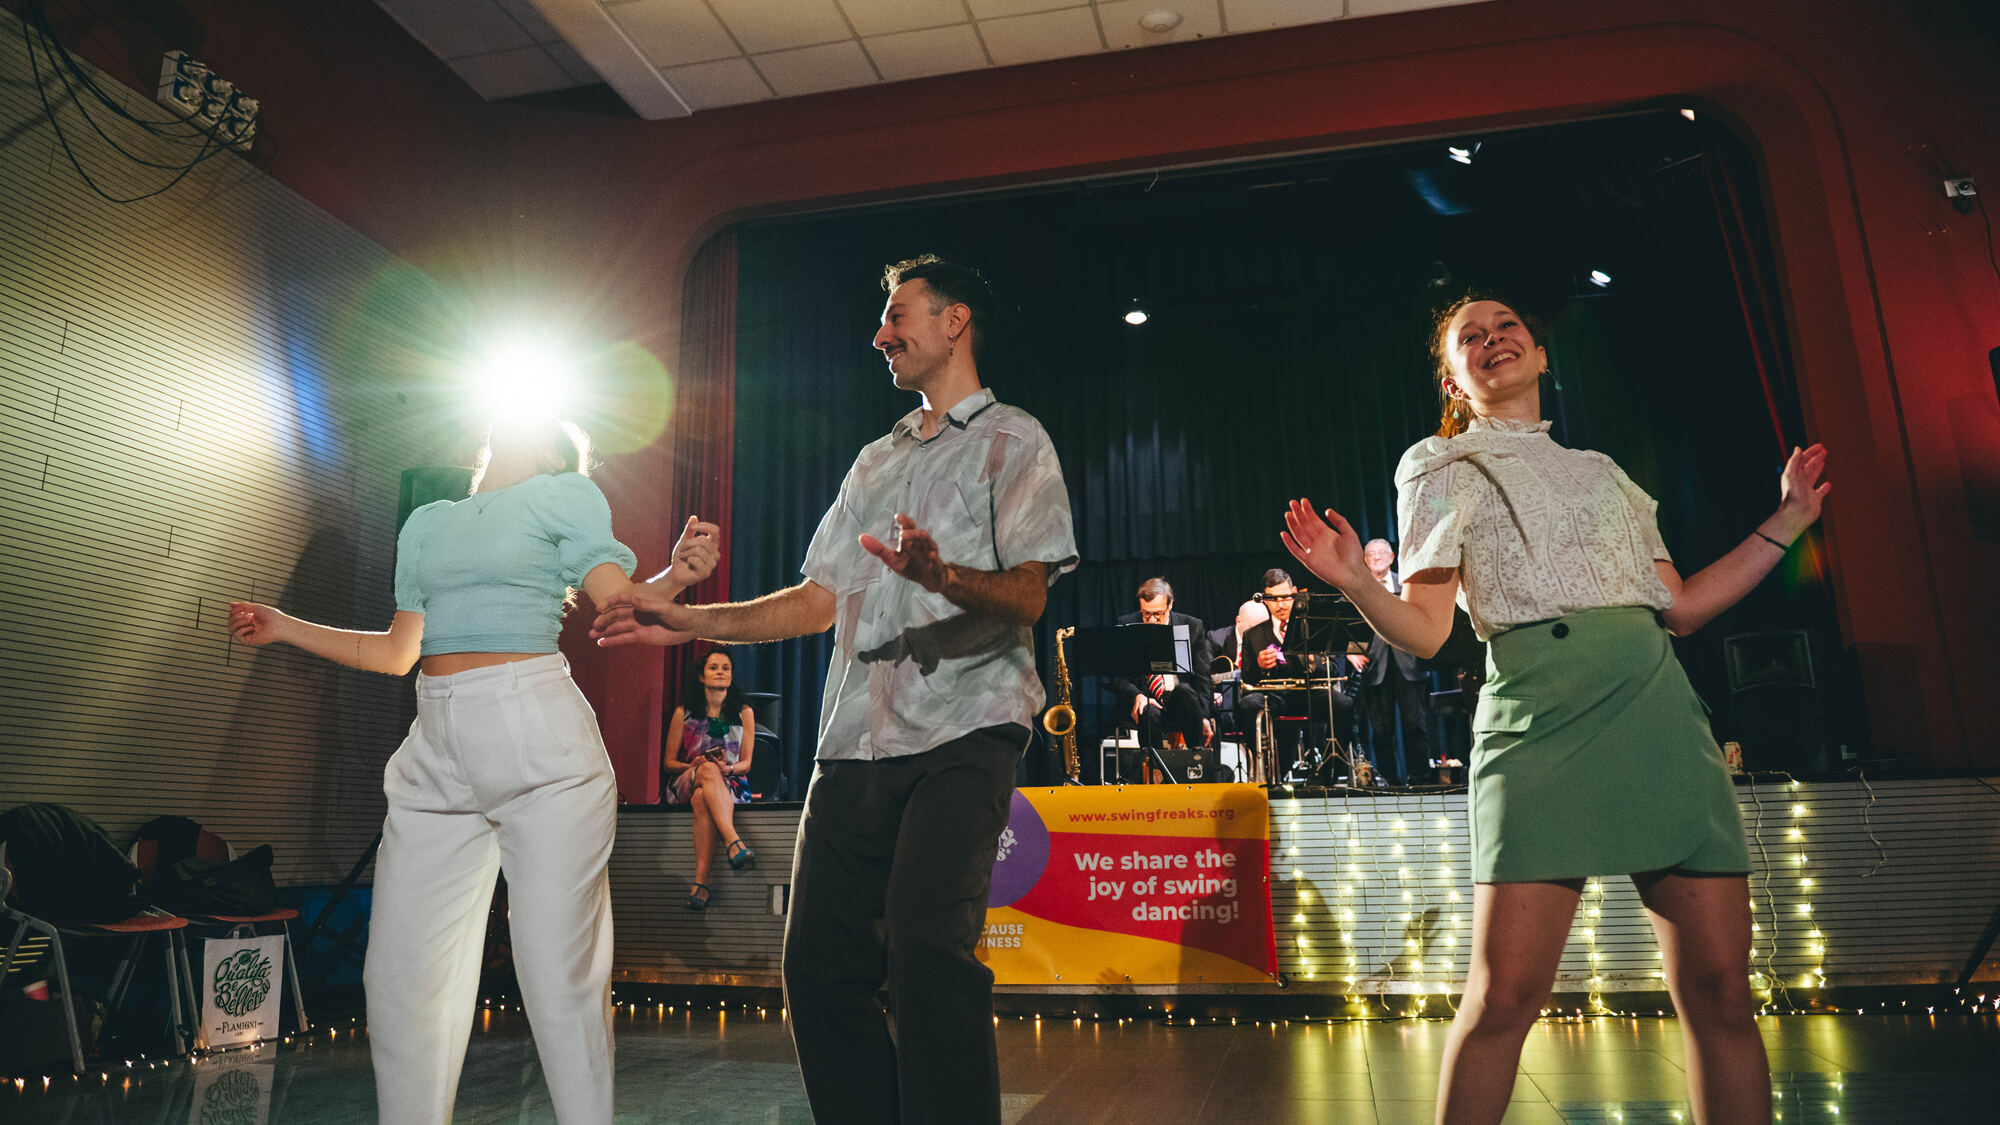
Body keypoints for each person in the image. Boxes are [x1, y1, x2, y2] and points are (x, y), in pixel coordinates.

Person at [1279, 295, 1829, 1124]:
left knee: (1721, 989)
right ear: (1454, 380)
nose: (1493, 339)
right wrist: (1357, 579)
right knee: (1504, 995)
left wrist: (1789, 517)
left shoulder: (1606, 472)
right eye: (1470, 336)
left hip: (1657, 713)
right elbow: (1427, 629)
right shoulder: (1438, 464)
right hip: (1539, 723)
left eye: (1507, 327)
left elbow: (1680, 606)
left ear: (1541, 355)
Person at [591, 255, 1076, 1125]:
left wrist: (944, 575)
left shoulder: (1016, 440)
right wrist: (687, 619)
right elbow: (816, 601)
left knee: (927, 951)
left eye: (898, 314)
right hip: (853, 744)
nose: (880, 334)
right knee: (816, 967)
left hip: (967, 729)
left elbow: (1031, 594)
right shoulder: (873, 461)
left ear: (955, 320)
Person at [227, 414, 718, 1125]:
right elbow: (399, 651)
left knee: (557, 975)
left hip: (540, 742)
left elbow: (617, 600)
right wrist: (284, 626)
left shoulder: (562, 495)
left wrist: (676, 576)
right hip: (435, 746)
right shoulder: (428, 522)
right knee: (399, 978)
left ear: (552, 454)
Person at [663, 648, 757, 911]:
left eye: (725, 668)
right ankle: (732, 841)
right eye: (713, 667)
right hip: (688, 778)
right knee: (706, 771)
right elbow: (669, 763)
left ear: (732, 675)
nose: (720, 672)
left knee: (702, 796)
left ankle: (701, 884)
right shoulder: (684, 713)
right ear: (702, 676)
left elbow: (746, 763)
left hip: (730, 782)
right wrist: (691, 765)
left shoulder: (744, 713)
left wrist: (727, 769)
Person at [1109, 577, 1214, 781]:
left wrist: (1203, 716)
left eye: (1158, 613)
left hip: (1180, 701)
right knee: (1148, 712)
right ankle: (1156, 775)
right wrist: (1137, 695)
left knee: (1185, 691)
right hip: (1146, 703)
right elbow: (1116, 678)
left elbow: (1203, 678)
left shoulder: (1192, 626)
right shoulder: (1126, 625)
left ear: (1170, 605)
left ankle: (1197, 762)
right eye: (1146, 613)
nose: (1152, 620)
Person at [1356, 538, 1432, 784]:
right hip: (1374, 666)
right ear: (1365, 560)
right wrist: (1350, 652)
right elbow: (1343, 623)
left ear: (1392, 557)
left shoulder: (1408, 584)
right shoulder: (1358, 588)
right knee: (1381, 731)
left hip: (1410, 663)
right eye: (1371, 554)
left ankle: (1420, 781)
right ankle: (1390, 783)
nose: (1376, 557)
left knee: (1416, 726)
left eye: (1381, 553)